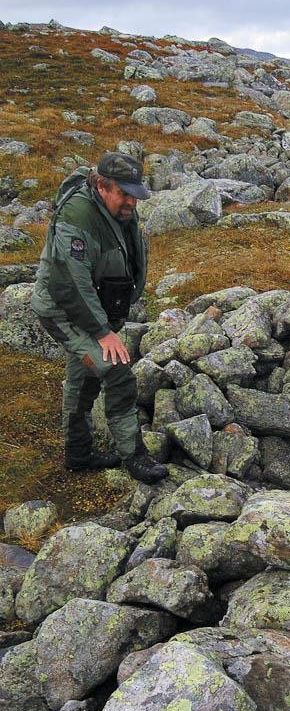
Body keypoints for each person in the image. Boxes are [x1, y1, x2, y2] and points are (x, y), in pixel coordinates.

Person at [31, 150, 168, 484]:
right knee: (117, 371)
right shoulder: (76, 219)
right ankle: (135, 457)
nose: (132, 203)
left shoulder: (117, 209)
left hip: (93, 309)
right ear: (102, 186)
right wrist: (102, 331)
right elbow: (69, 283)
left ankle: (79, 455)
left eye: (135, 195)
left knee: (84, 378)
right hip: (65, 310)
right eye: (124, 194)